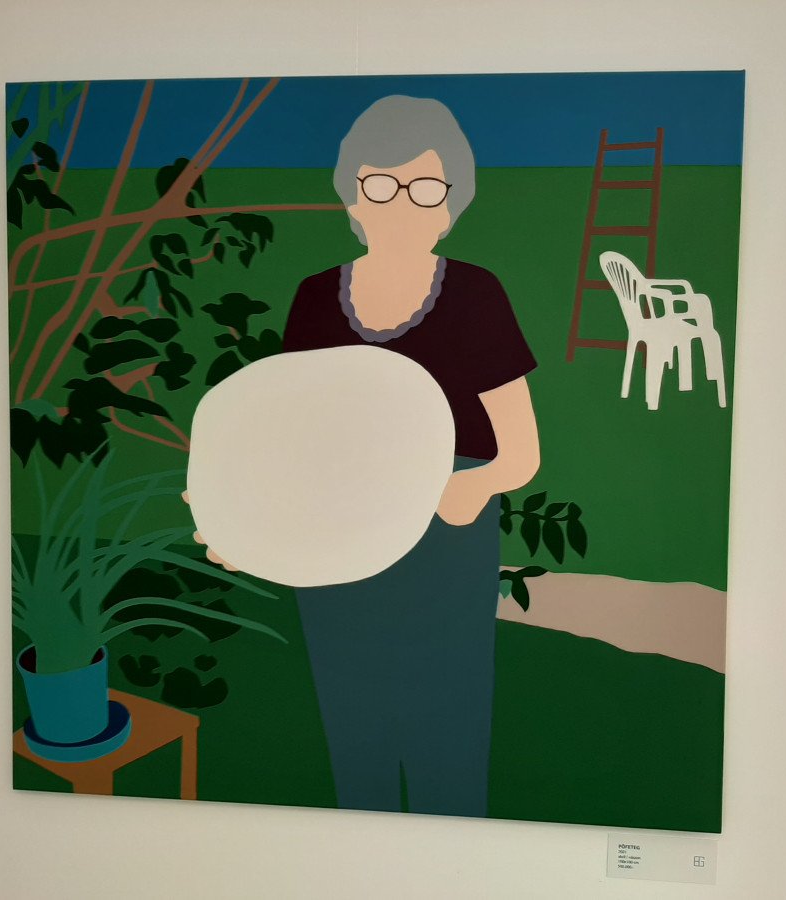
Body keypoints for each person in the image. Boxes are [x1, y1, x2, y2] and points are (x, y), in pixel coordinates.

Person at [282, 95, 541, 817]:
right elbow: (295, 438)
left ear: (451, 205)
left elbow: (521, 453)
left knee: (446, 747)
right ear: (352, 198)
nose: (400, 204)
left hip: (444, 552)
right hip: (338, 548)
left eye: (424, 187)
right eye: (380, 185)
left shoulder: (477, 294)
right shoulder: (313, 299)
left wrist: (470, 488)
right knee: (353, 738)